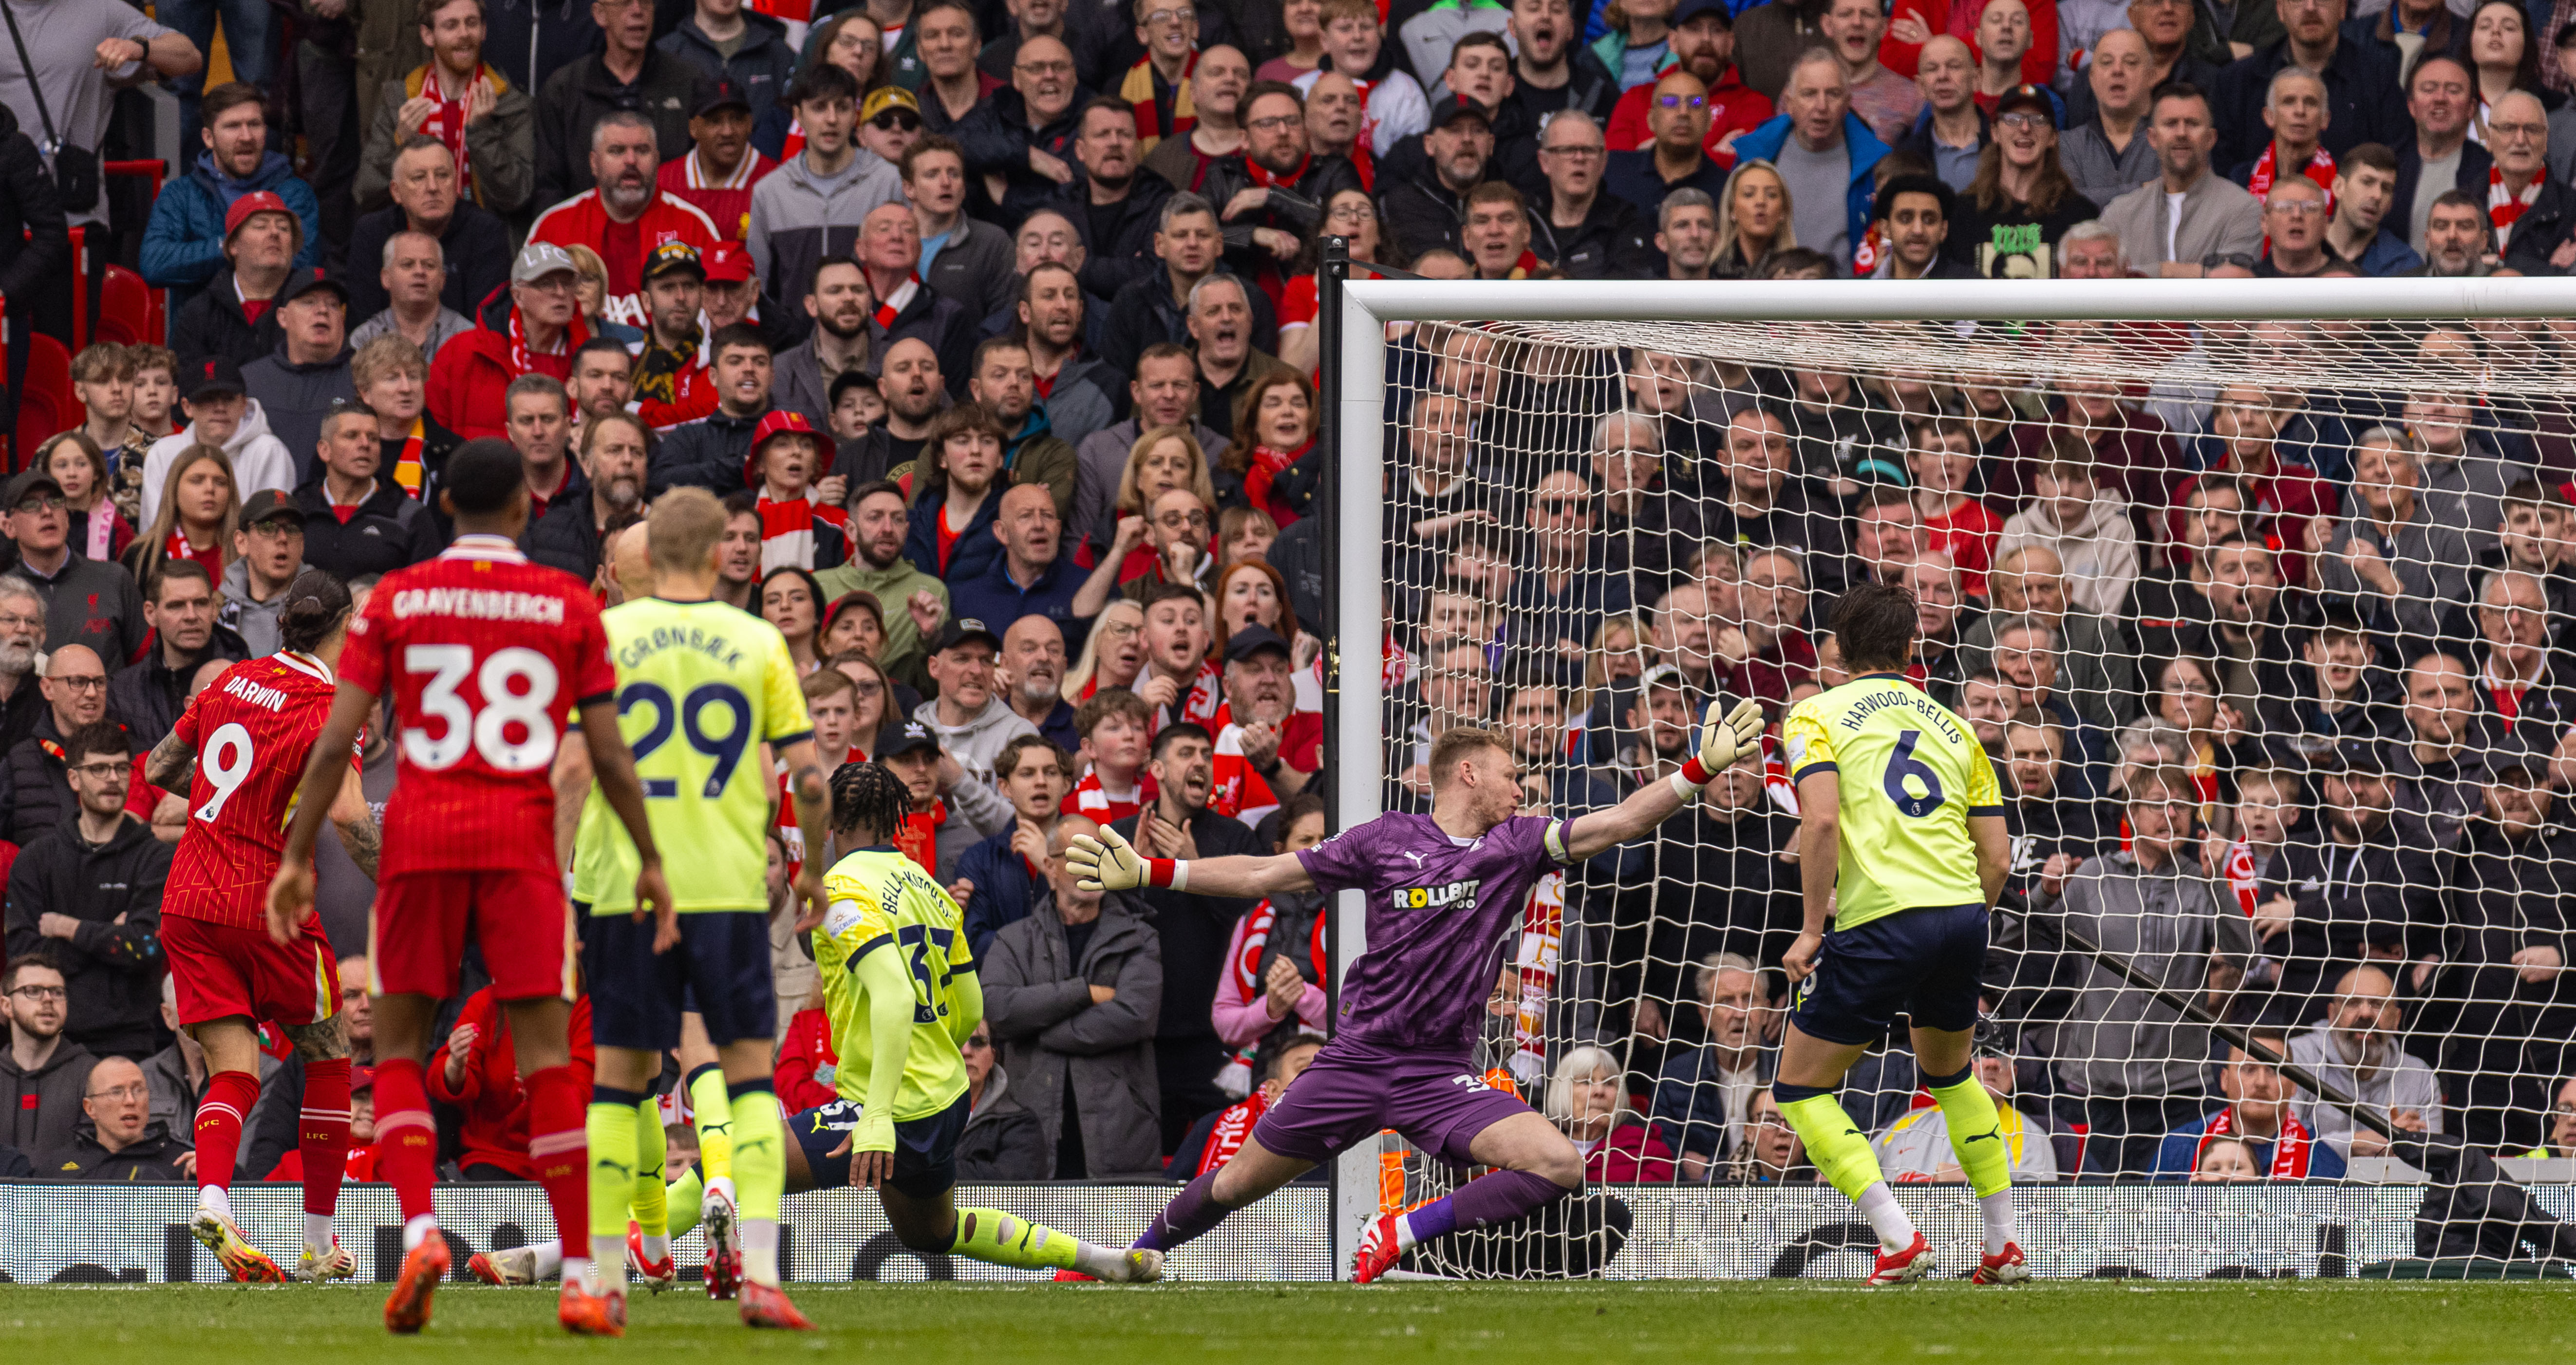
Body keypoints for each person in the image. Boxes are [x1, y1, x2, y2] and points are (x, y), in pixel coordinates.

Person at [1068, 692, 1765, 1280]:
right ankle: (1129, 1258)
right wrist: (1152, 872)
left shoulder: (1517, 842)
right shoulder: (1382, 838)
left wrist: (1699, 768)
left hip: (1437, 1072)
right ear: (1468, 773)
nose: (1523, 788)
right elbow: (1260, 875)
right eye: (1512, 775)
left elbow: (1622, 821)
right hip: (1353, 1060)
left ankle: (1400, 1232)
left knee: (1557, 1163)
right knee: (1232, 1185)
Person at [265, 439, 672, 1336]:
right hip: (522, 846)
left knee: (403, 1047)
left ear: (442, 504)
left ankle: (418, 1231)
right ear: (527, 511)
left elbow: (337, 743)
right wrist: (646, 852)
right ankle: (579, 1272)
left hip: (424, 836)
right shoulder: (568, 603)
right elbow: (606, 750)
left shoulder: (398, 600)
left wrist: (295, 858)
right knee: (547, 1058)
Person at [550, 487, 830, 1329]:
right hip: (727, 885)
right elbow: (810, 780)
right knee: (745, 1077)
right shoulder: (755, 641)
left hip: (621, 885)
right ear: (716, 557)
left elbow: (568, 772)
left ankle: (603, 1278)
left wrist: (561, 896)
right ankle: (760, 1273)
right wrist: (812, 866)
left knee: (618, 1078)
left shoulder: (601, 637)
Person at [800, 761, 1163, 1277]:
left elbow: (898, 997)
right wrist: (931, 1052)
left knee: (736, 1161)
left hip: (887, 1103)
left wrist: (878, 1113)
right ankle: (1098, 1259)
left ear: (831, 820)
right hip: (943, 1099)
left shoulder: (841, 886)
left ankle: (647, 1246)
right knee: (933, 1232)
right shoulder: (926, 886)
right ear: (897, 820)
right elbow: (971, 1007)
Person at [1758, 581, 2024, 1282]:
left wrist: (1813, 927)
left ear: (1838, 651)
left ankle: (1898, 1236)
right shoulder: (1955, 725)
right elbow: (1997, 856)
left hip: (1883, 916)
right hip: (1963, 912)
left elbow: (1817, 820)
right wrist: (1964, 920)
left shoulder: (1814, 713)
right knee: (1951, 1073)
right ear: (1913, 649)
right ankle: (2002, 1243)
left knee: (1799, 1089)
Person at [142, 572, 374, 1282]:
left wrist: (227, 798)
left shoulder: (232, 680)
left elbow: (157, 767)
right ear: (344, 629)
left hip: (186, 896)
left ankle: (213, 1197)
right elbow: (348, 816)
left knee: (233, 1063)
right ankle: (318, 1242)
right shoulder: (333, 705)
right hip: (260, 902)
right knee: (331, 1051)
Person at [983, 817, 1166, 1177]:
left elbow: (1135, 1015)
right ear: (1049, 866)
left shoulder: (1140, 937)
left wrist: (1043, 1032)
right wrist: (1081, 993)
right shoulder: (1013, 940)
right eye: (1080, 855)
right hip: (1033, 1134)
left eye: (1100, 854)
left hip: (1120, 1137)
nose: (1094, 865)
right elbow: (998, 1010)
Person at [4, 719, 168, 1060]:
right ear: (74, 778)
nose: (113, 778)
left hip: (130, 1042)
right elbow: (25, 961)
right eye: (99, 768)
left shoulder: (156, 858)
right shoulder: (36, 860)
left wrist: (70, 929)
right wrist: (113, 936)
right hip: (52, 1040)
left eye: (122, 768)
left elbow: (148, 948)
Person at [526, 113, 724, 329]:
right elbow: (527, 313)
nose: (631, 160)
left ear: (657, 160)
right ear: (594, 163)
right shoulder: (553, 226)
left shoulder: (694, 226)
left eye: (642, 150)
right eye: (617, 151)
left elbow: (717, 315)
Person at [141, 83, 325, 315]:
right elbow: (155, 264)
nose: (246, 136)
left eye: (255, 125)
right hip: (201, 337)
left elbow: (304, 267)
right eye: (233, 126)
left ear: (266, 132)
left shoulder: (294, 192)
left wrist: (236, 251)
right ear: (209, 138)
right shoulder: (180, 194)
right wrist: (229, 245)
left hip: (274, 334)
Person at [749, 64, 904, 320]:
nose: (831, 119)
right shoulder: (770, 191)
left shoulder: (888, 182)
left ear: (855, 115)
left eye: (842, 108)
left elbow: (907, 272)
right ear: (798, 115)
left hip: (873, 341)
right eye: (819, 108)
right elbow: (760, 286)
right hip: (795, 347)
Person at [355, 0, 535, 219]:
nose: (464, 34)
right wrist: (400, 143)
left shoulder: (510, 102)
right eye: (451, 26)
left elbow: (518, 197)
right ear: (428, 35)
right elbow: (365, 194)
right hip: (417, 241)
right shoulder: (400, 100)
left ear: (484, 30)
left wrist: (483, 133)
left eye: (471, 23)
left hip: (484, 239)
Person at [532, 0, 705, 211]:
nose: (637, 11)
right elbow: (549, 184)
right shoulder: (564, 89)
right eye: (624, 3)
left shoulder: (688, 82)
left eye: (645, 3)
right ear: (599, 14)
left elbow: (707, 175)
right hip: (585, 234)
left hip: (670, 232)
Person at [1729, 49, 1890, 270]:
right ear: (1790, 103)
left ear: (1847, 103)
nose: (1821, 106)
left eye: (1833, 94)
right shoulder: (1754, 156)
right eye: (1809, 94)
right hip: (1768, 295)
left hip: (1846, 298)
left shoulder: (1875, 163)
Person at [2150, 1031, 2346, 1178]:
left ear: (2294, 1085)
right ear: (2224, 1080)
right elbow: (2147, 1226)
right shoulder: (2179, 1146)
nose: (2261, 1083)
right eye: (2249, 1069)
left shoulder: (2322, 1162)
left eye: (2273, 1071)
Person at [4, 467, 146, 664]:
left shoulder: (114, 579)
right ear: (9, 527)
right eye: (31, 505)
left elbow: (147, 667)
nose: (47, 512)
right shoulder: (4, 594)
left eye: (55, 502)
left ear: (66, 518)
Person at [295, 405, 445, 584]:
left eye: (373, 438)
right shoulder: (296, 510)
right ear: (324, 450)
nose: (365, 444)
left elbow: (428, 590)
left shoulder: (410, 516)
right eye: (352, 436)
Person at [1870, 1043, 2057, 1183]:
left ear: (2014, 1074)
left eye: (2001, 1056)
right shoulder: (1908, 1123)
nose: (1992, 1063)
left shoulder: (2031, 1137)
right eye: (1978, 1054)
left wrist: (1970, 1184)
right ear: (1956, 1065)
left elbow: (2038, 1219)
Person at [243, 272, 360, 485]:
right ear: (282, 317)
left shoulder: (363, 378)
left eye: (333, 305)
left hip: (337, 513)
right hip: (268, 515)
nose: (323, 311)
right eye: (309, 303)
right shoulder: (249, 381)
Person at [0, 956, 97, 1159]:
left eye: (57, 992)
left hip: (71, 1191)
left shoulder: (94, 1076)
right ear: (6, 1005)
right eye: (33, 991)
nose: (48, 999)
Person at [43, 1055, 192, 1181]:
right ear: (90, 1108)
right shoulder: (57, 1168)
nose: (130, 1101)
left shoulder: (182, 1164)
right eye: (116, 1092)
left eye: (138, 1090)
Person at [2059, 27, 2156, 206]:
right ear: (2092, 79)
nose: (2117, 70)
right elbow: (2070, 206)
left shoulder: (2171, 139)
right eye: (2106, 62)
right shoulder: (2067, 145)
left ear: (2150, 77)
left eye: (2131, 62)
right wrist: (2144, 189)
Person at [2322, 142, 2422, 274]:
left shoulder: (2404, 265)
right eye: (2367, 182)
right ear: (2338, 187)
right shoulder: (2301, 246)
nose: (2377, 196)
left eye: (2386, 188)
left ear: (2390, 204)